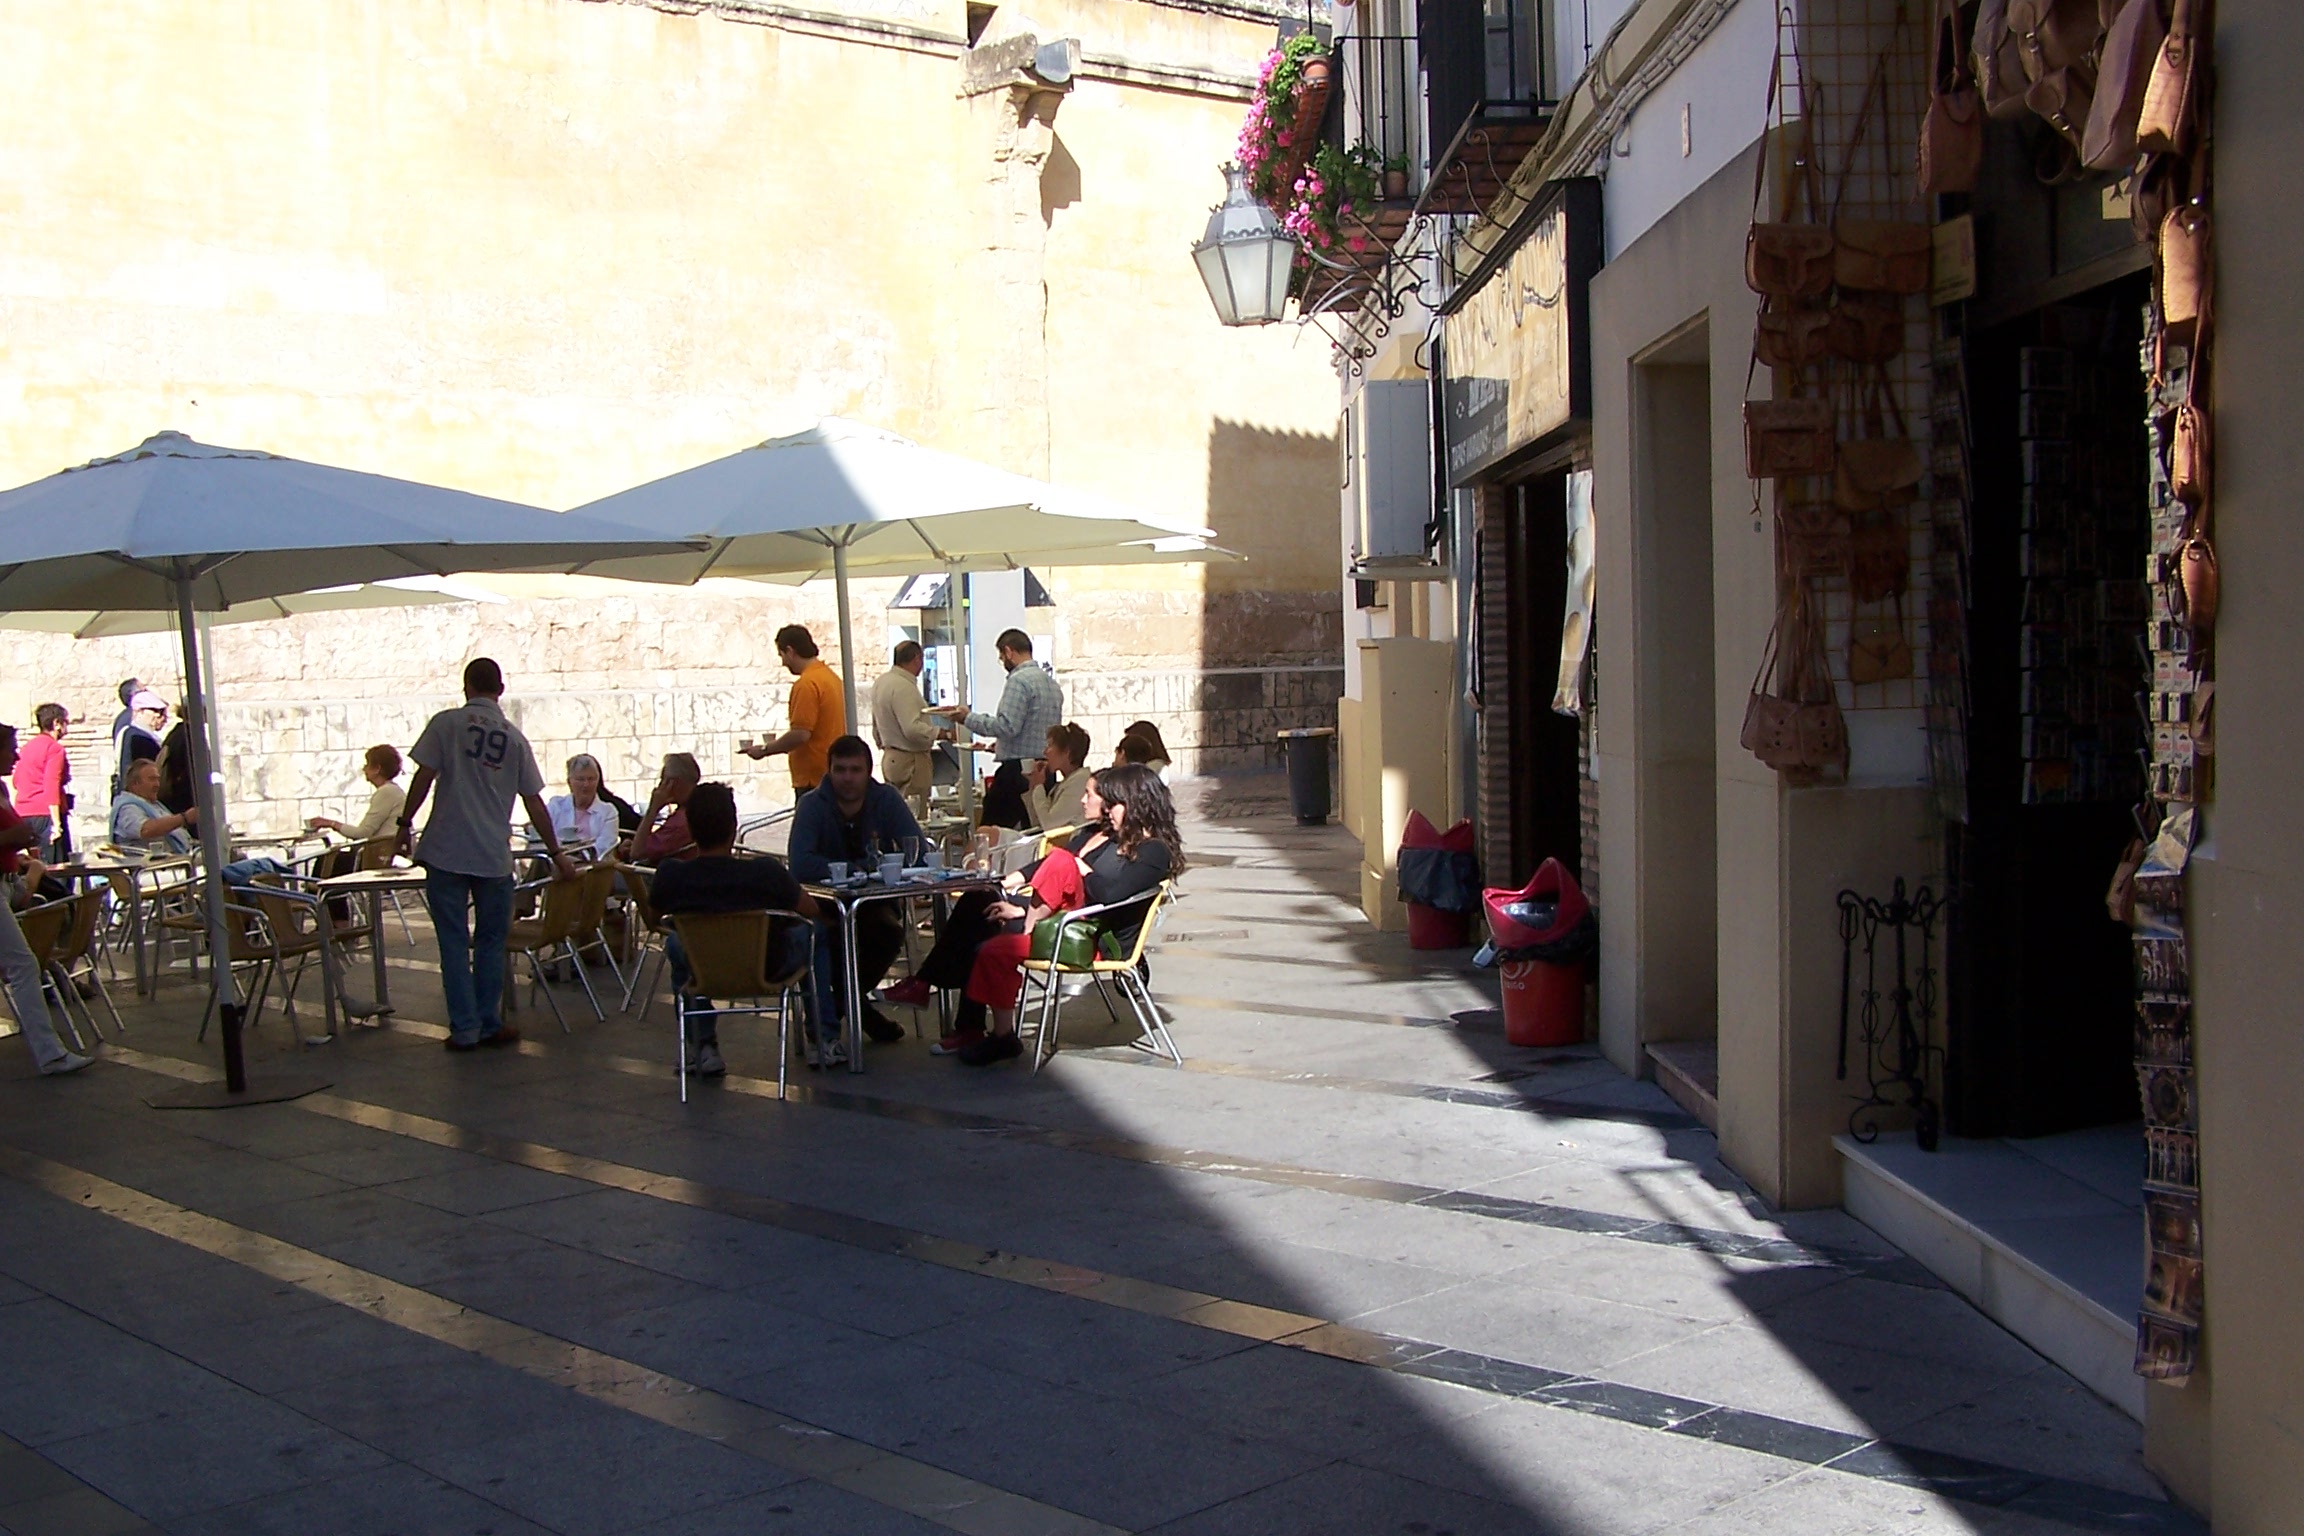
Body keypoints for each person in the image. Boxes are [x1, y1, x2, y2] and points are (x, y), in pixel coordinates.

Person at [949, 762, 1180, 1066]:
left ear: (1136, 804)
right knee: (989, 939)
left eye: (1115, 803)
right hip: (1070, 921)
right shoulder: (1116, 838)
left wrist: (1079, 868)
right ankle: (1002, 1036)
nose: (1108, 810)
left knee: (1054, 866)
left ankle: (946, 991)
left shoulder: (1153, 851)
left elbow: (1111, 896)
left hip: (1093, 937)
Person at [401, 658, 576, 1052]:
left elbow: (423, 777)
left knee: (451, 940)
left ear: (466, 687)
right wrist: (556, 852)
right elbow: (534, 801)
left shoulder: (445, 724)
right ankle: (489, 1021)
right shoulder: (514, 738)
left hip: (446, 848)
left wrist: (403, 823)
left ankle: (463, 1028)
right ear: (501, 688)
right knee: (491, 941)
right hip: (493, 856)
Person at [647, 781, 824, 1078]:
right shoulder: (765, 872)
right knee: (810, 933)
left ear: (690, 828)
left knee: (678, 944)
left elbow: (652, 920)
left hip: (702, 971)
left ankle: (702, 1046)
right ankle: (820, 1036)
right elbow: (811, 910)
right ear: (733, 825)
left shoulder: (672, 875)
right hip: (768, 968)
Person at [784, 735, 921, 1046]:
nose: (847, 778)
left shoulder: (885, 799)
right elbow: (800, 864)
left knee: (888, 934)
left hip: (873, 905)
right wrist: (856, 869)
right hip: (822, 906)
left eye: (855, 770)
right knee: (816, 937)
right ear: (829, 771)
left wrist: (888, 865)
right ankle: (855, 1009)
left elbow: (916, 846)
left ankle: (844, 1003)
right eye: (840, 769)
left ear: (868, 772)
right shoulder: (811, 805)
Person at [0, 729, 90, 1074]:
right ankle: (49, 1052)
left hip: (9, 881)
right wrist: (13, 837)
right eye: (10, 750)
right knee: (23, 964)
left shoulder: (3, 788)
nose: (17, 757)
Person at [933, 629, 1060, 829]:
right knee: (1035, 830)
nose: (1002, 662)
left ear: (1009, 651)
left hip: (1018, 771)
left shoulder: (1019, 681)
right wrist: (1003, 746)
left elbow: (1007, 725)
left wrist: (967, 718)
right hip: (1046, 769)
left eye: (1002, 656)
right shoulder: (1051, 684)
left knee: (990, 831)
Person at [108, 759, 289, 885]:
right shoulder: (128, 808)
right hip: (157, 870)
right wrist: (184, 818)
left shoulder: (152, 804)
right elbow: (145, 830)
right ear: (135, 784)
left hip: (182, 858)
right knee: (233, 870)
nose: (157, 784)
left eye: (157, 778)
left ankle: (243, 917)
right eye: (151, 779)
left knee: (236, 857)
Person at [740, 625, 845, 797]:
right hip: (831, 770)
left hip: (813, 778)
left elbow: (801, 734)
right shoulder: (831, 678)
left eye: (782, 655)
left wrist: (765, 749)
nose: (783, 663)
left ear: (790, 651)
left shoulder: (806, 685)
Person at [871, 640, 942, 818]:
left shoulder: (881, 682)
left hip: (890, 756)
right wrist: (941, 733)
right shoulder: (904, 686)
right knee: (915, 818)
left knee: (892, 814)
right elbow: (911, 729)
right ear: (917, 659)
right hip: (911, 760)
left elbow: (876, 727)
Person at [308, 744, 408, 844]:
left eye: (367, 765)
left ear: (377, 769)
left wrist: (331, 824)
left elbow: (363, 833)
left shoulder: (386, 792)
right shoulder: (392, 791)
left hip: (383, 853)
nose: (364, 769)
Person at [12, 704, 71, 859]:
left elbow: (17, 780)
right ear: (57, 723)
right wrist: (57, 825)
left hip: (23, 813)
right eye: (66, 722)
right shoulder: (54, 748)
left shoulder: (27, 748)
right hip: (46, 813)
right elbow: (52, 783)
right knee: (57, 868)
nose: (67, 726)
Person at [545, 753, 623, 863]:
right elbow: (545, 838)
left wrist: (576, 855)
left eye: (591, 779)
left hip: (591, 868)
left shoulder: (608, 812)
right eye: (580, 779)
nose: (586, 784)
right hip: (557, 863)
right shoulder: (556, 806)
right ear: (569, 782)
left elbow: (603, 847)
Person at [628, 753, 702, 864]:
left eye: (663, 779)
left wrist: (653, 808)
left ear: (673, 782)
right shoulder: (699, 807)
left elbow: (636, 854)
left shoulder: (680, 821)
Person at [1023, 723, 1092, 832]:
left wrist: (1038, 786)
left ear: (1066, 752)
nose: (1045, 752)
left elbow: (1049, 824)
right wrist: (1033, 787)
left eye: (1050, 745)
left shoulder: (1079, 783)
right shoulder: (1065, 783)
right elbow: (1037, 821)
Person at [114, 690, 166, 798]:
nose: (158, 715)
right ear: (139, 711)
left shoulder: (139, 733)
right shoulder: (137, 737)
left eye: (161, 712)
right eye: (154, 710)